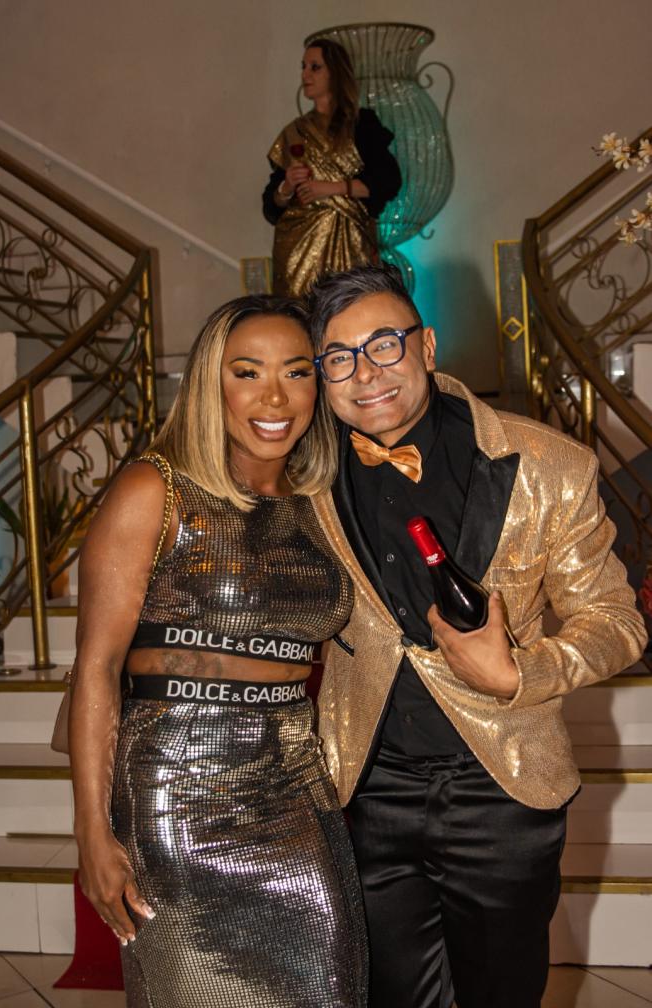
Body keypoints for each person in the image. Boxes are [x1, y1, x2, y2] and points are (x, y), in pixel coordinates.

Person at [306, 264, 647, 1008]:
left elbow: (616, 622)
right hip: (367, 784)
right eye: (339, 357)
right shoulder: (303, 475)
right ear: (321, 376)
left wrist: (521, 673)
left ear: (426, 345)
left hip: (502, 786)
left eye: (384, 344)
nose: (366, 373)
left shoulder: (550, 465)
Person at [68, 294, 368, 1008]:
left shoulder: (320, 500)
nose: (275, 397)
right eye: (247, 372)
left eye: (296, 371)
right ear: (211, 383)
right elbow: (95, 669)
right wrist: (91, 831)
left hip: (296, 786)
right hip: (178, 793)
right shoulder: (155, 489)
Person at [263, 38, 400, 298]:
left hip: (352, 246)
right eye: (303, 67)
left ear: (335, 73)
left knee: (351, 306)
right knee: (300, 313)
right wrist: (287, 186)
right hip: (297, 252)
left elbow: (388, 181)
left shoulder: (361, 124)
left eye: (315, 67)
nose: (305, 74)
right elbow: (271, 208)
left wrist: (331, 188)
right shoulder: (295, 132)